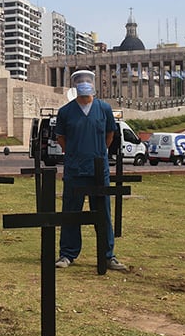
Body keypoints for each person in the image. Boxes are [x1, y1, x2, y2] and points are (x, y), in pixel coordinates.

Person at [54, 69, 129, 272]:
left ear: (93, 84)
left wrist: (99, 153)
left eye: (88, 81)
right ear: (75, 85)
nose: (84, 84)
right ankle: (67, 253)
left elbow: (110, 134)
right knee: (71, 212)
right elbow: (61, 137)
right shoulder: (66, 112)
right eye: (80, 81)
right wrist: (73, 152)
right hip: (75, 169)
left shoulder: (103, 109)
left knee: (102, 212)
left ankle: (107, 255)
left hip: (98, 169)